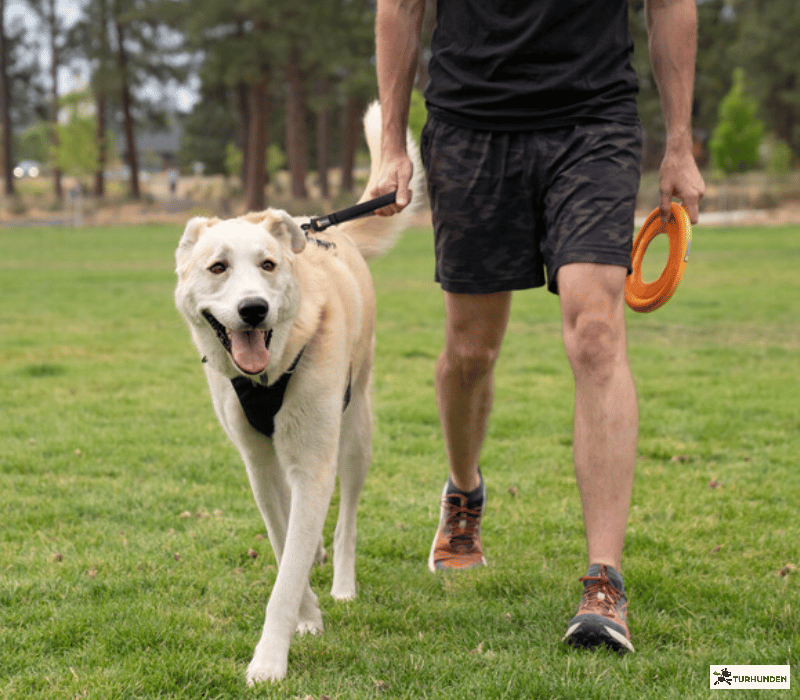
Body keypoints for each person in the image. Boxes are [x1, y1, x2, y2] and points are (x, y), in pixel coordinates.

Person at [372, 0, 705, 652]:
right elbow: (401, 6)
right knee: (471, 351)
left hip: (593, 121)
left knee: (596, 332)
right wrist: (390, 145)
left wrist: (679, 144)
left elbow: (671, 5)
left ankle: (603, 582)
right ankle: (463, 494)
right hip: (470, 124)